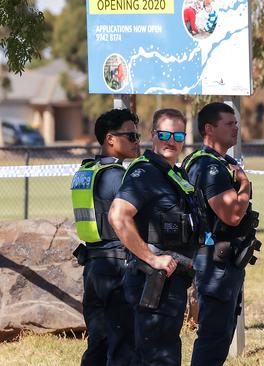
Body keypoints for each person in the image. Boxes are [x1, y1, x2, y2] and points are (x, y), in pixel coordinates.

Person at [109, 108, 204, 366]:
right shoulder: (146, 172)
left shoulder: (175, 174)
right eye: (164, 133)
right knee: (158, 358)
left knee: (162, 352)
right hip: (154, 282)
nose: (171, 140)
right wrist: (152, 258)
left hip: (174, 280)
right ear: (152, 135)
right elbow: (118, 216)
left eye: (178, 135)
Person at [182, 102, 254, 366]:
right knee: (214, 337)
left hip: (221, 259)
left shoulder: (220, 162)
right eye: (229, 124)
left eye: (236, 123)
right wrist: (245, 184)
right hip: (215, 261)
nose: (236, 128)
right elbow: (232, 215)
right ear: (209, 129)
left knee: (220, 335)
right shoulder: (209, 166)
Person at [71, 108, 140, 365]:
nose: (137, 142)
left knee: (98, 343)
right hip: (117, 268)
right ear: (110, 139)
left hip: (93, 267)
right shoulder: (116, 176)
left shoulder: (87, 172)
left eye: (137, 136)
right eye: (131, 136)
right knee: (123, 346)